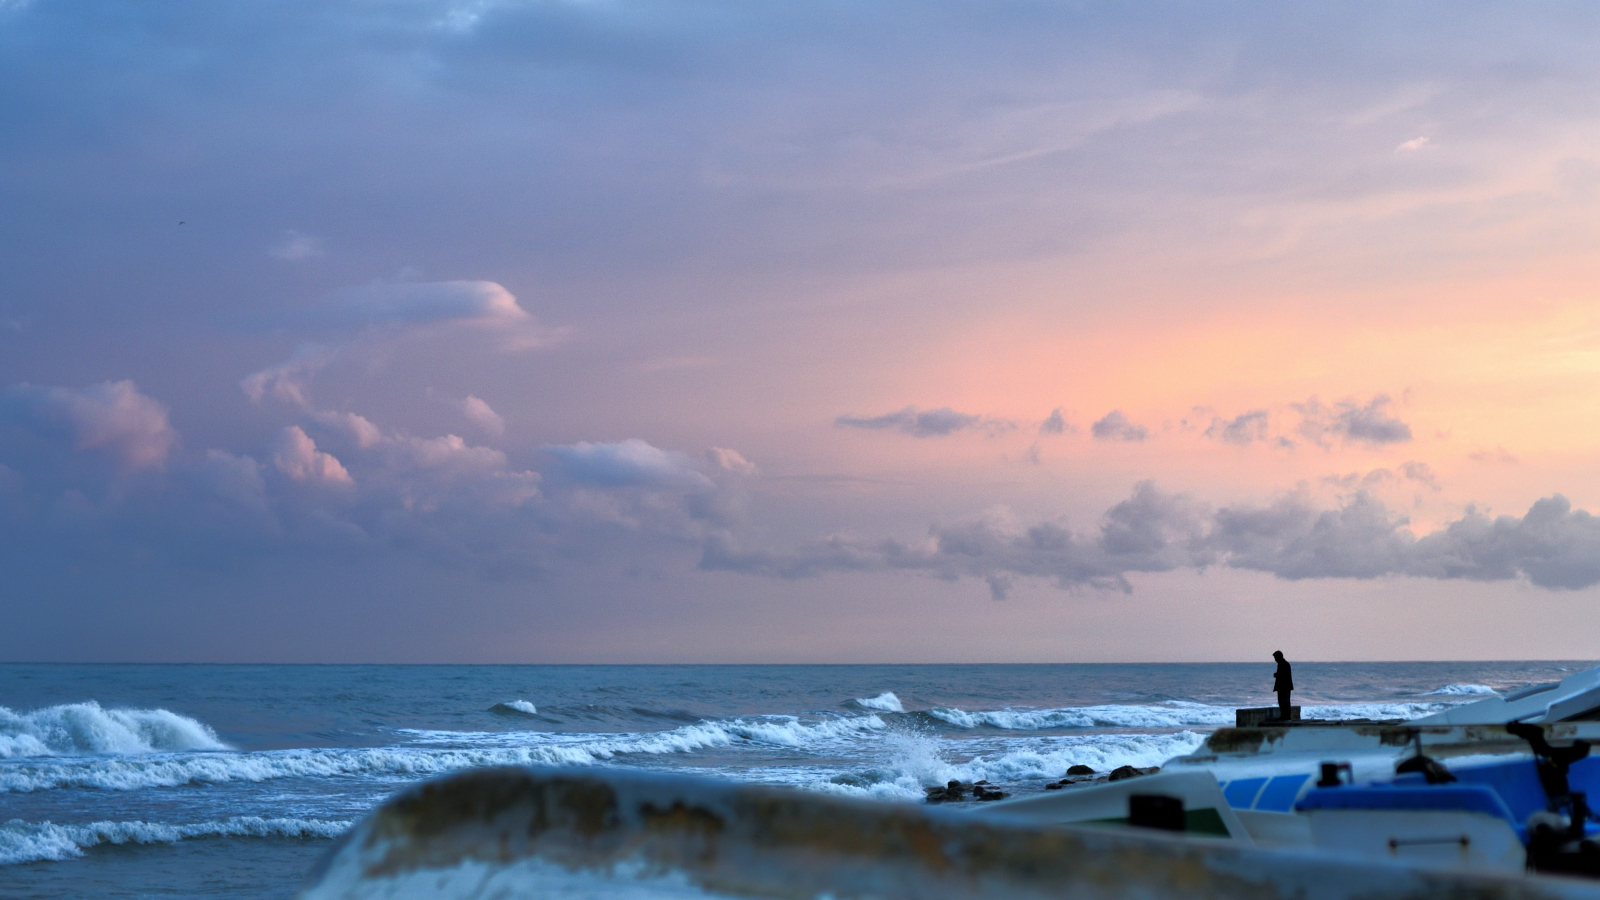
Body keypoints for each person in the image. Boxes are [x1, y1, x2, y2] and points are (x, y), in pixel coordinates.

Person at [1273, 651, 1293, 720]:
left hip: (1284, 687)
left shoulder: (1284, 664)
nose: (1275, 660)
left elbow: (1284, 676)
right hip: (1284, 687)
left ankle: (1285, 716)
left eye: (1275, 657)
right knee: (1283, 702)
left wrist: (1277, 675)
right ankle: (1285, 715)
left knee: (1284, 701)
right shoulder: (1283, 664)